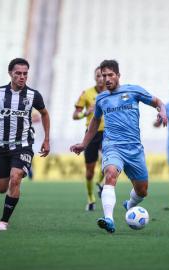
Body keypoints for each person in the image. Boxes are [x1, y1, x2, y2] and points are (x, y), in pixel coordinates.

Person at [70, 60, 168, 233]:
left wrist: (162, 111)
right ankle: (109, 219)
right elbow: (95, 122)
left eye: (110, 75)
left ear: (118, 75)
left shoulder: (133, 90)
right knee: (110, 173)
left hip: (134, 149)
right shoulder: (101, 98)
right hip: (112, 146)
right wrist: (84, 144)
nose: (106, 79)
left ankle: (129, 204)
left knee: (142, 191)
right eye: (103, 75)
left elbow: (158, 102)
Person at [0, 58, 50, 231]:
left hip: (23, 146)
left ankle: (4, 221)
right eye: (18, 73)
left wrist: (46, 139)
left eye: (25, 73)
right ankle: (10, 198)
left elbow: (45, 114)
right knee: (2, 187)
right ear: (10, 73)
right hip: (2, 147)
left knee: (15, 179)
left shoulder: (33, 95)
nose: (22, 77)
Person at [72, 66, 106, 211]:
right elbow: (75, 115)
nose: (100, 78)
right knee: (89, 170)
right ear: (94, 77)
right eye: (97, 76)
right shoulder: (86, 93)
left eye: (102, 76)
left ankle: (101, 182)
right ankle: (91, 197)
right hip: (91, 134)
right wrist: (85, 113)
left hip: (108, 132)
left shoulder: (111, 93)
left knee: (108, 160)